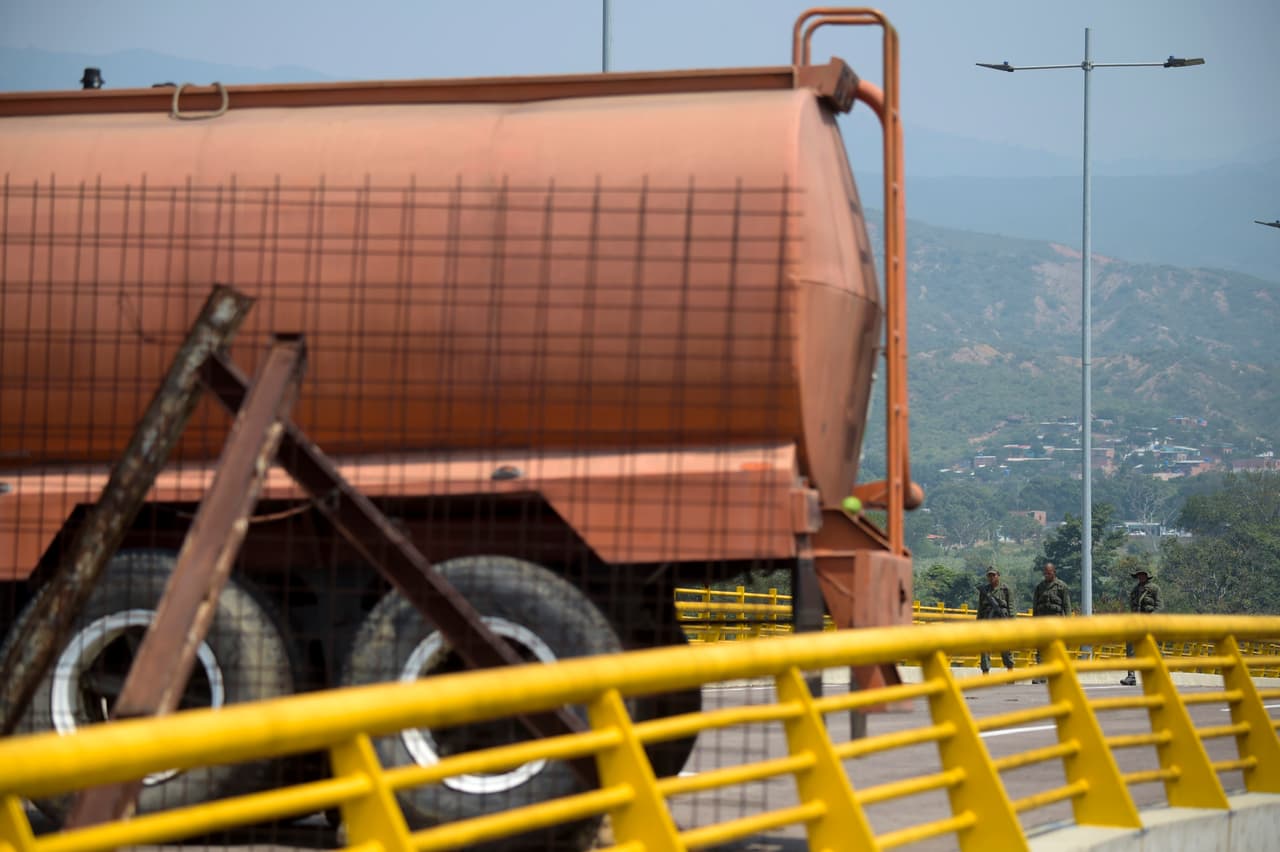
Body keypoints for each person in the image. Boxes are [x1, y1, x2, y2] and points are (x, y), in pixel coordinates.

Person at [1030, 562, 1072, 683]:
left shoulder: (1061, 587)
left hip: (1056, 623)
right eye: (1045, 573)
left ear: (1054, 572)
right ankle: (1040, 675)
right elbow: (1035, 605)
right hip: (1042, 623)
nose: (1047, 575)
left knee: (1056, 649)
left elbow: (1067, 606)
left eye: (1049, 573)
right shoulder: (1039, 587)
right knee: (1041, 650)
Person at [1120, 568, 1161, 686]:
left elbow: (1160, 606)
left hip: (1151, 623)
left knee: (1154, 649)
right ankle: (1131, 676)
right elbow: (1132, 608)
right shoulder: (1134, 590)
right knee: (1130, 647)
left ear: (1147, 576)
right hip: (1137, 623)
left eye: (1142, 575)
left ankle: (1160, 674)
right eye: (1139, 575)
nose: (1140, 577)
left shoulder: (1154, 589)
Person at [977, 567, 1015, 675]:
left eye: (993, 575)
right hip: (987, 622)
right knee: (985, 647)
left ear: (998, 575)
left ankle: (1010, 670)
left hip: (1002, 623)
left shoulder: (1005, 589)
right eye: (989, 575)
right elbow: (980, 609)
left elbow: (1011, 608)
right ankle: (985, 672)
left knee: (1005, 648)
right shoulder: (984, 591)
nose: (991, 577)